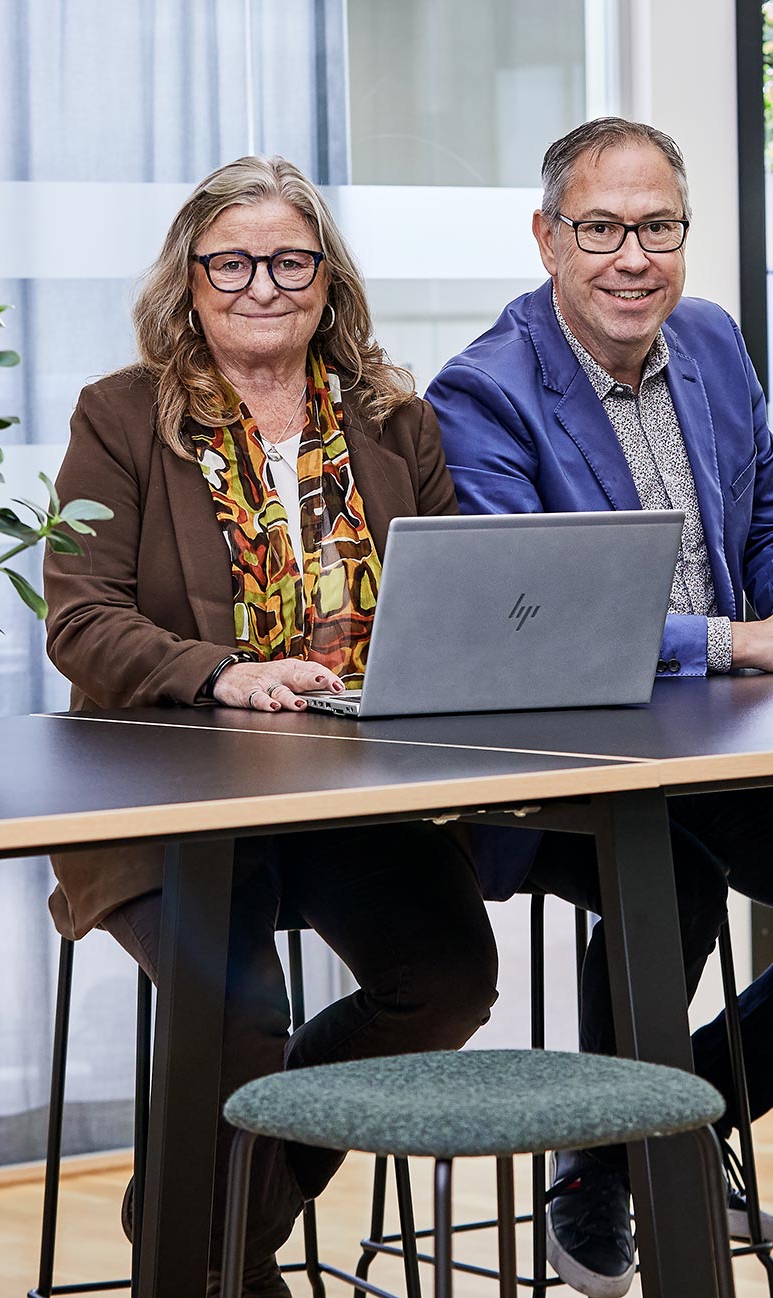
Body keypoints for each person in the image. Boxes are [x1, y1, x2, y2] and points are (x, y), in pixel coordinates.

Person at [427, 117, 773, 1298]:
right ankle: (610, 1163)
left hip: (725, 752)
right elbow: (537, 618)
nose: (633, 257)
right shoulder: (480, 395)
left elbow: (768, 512)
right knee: (668, 870)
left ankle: (645, 1133)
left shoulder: (712, 344)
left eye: (658, 228)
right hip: (562, 770)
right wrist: (743, 640)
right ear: (546, 237)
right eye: (600, 229)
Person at [42, 156, 500, 1298]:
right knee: (241, 1012)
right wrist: (220, 674)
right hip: (166, 787)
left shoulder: (394, 419)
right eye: (231, 261)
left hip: (352, 783)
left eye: (290, 259)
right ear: (188, 281)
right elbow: (79, 617)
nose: (262, 283)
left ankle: (190, 1216)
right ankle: (226, 1264)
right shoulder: (118, 416)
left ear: (326, 279)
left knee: (445, 979)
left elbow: (452, 591)